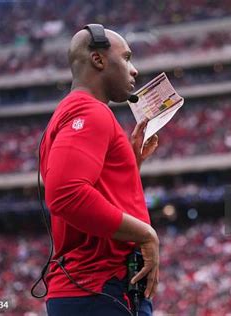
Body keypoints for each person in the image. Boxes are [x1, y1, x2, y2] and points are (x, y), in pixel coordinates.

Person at [39, 25, 160, 316]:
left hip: (92, 290)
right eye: (127, 57)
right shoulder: (91, 111)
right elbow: (66, 194)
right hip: (101, 289)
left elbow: (87, 189)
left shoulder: (68, 113)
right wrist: (146, 234)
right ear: (98, 60)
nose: (134, 70)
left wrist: (131, 161)